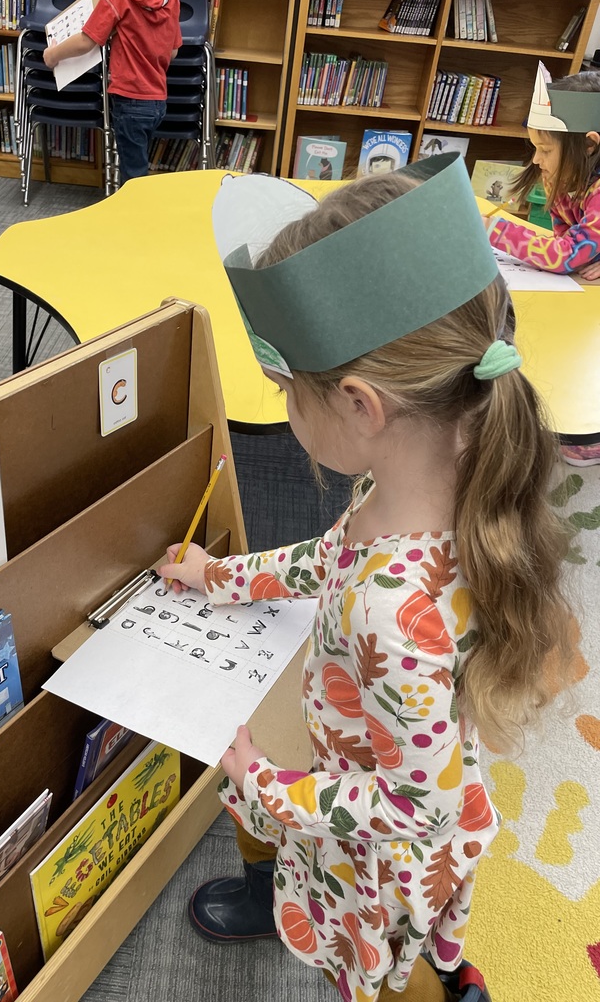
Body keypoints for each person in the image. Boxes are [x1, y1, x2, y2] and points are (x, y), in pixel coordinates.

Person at [158, 156, 572, 1002]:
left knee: (388, 970)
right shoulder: (443, 482)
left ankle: (439, 986)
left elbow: (415, 810)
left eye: (287, 393)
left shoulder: (392, 613)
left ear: (359, 406)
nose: (282, 412)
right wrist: (221, 577)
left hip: (379, 852)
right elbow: (328, 558)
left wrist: (268, 787)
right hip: (375, 744)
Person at [485, 64, 600, 466]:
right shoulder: (573, 176)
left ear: (589, 145)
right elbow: (563, 236)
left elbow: (565, 254)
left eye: (545, 150)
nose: (536, 159)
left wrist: (495, 230)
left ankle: (592, 426)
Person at [42, 0, 182, 185]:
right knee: (138, 165)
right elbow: (173, 52)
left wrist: (53, 55)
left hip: (130, 100)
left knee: (133, 180)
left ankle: (134, 216)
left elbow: (85, 41)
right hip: (157, 102)